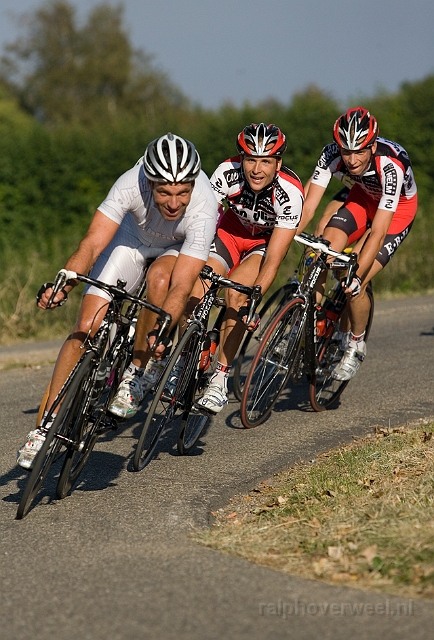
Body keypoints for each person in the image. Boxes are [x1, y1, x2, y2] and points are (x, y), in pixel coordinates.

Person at [17, 133, 218, 469]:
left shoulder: (204, 205)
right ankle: (44, 427)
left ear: (193, 186)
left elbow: (183, 285)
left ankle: (137, 372)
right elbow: (92, 243)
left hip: (175, 248)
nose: (173, 202)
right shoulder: (130, 182)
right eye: (164, 192)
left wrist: (163, 331)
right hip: (130, 239)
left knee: (161, 280)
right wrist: (64, 282)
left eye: (182, 192)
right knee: (86, 326)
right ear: (149, 182)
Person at [189, 123, 304, 414]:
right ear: (241, 158)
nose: (256, 169)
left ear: (278, 163)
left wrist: (255, 298)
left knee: (237, 296)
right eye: (250, 159)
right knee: (196, 283)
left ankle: (220, 378)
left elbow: (275, 258)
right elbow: (202, 221)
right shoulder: (226, 171)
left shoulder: (290, 194)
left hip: (261, 245)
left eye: (265, 161)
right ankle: (184, 357)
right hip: (229, 233)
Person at [300, 106, 417, 380]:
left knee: (355, 283)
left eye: (359, 152)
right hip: (363, 199)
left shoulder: (391, 166)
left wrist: (358, 274)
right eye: (346, 151)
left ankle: (355, 343)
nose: (351, 160)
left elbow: (378, 231)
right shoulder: (331, 154)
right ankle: (308, 321)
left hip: (396, 213)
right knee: (320, 251)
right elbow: (307, 208)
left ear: (373, 146)